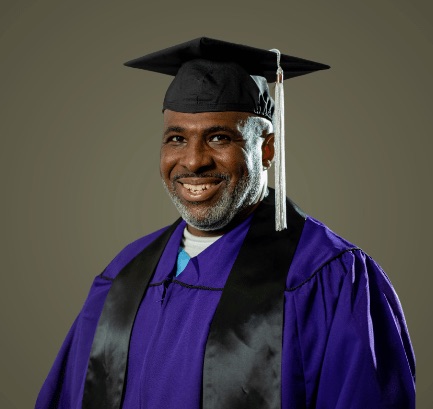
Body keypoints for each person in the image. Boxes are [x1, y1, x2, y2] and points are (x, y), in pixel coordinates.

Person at [36, 38, 415, 409]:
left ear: (266, 149)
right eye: (176, 138)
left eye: (219, 137)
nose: (193, 161)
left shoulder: (328, 277)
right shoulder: (123, 275)